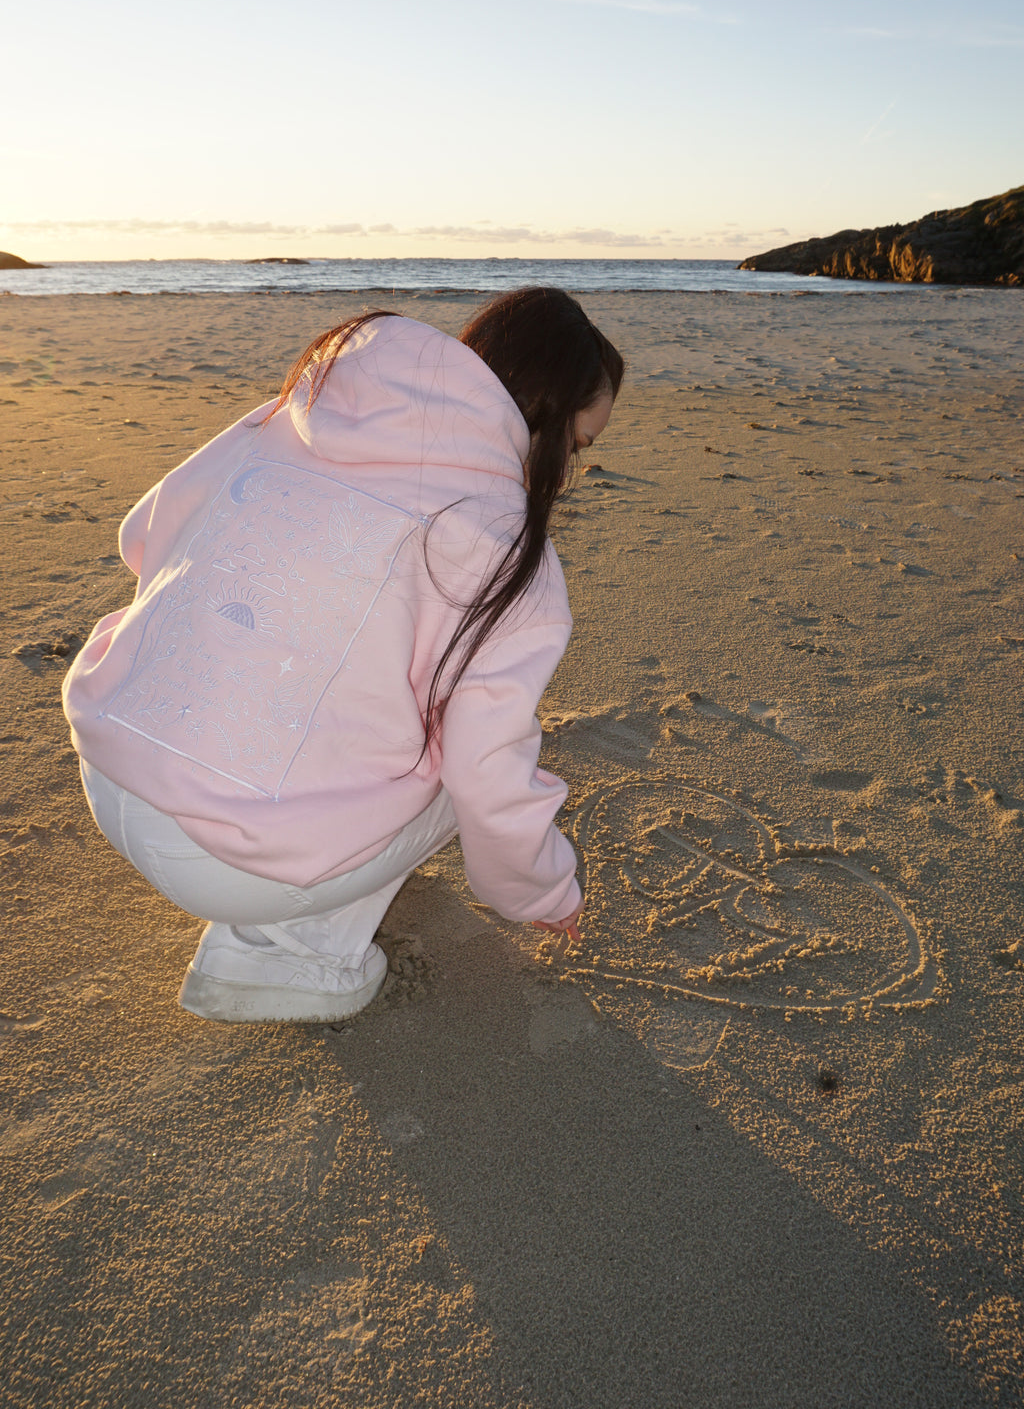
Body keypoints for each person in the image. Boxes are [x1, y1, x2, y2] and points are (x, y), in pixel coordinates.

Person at [63, 287, 622, 1024]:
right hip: (231, 860)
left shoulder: (293, 415)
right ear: (547, 420)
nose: (567, 467)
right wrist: (544, 892)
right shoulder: (502, 539)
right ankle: (288, 955)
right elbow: (486, 773)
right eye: (576, 446)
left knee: (358, 690)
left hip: (113, 761)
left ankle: (292, 892)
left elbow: (143, 535)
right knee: (451, 756)